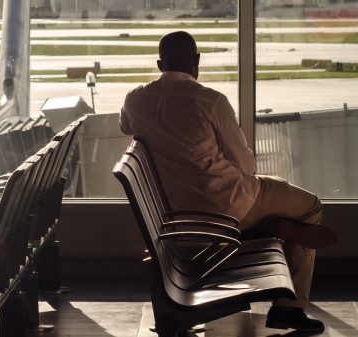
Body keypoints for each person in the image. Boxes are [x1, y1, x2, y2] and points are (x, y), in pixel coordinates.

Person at [119, 31, 336, 333]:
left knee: (272, 196)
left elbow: (125, 126)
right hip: (231, 204)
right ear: (196, 62)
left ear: (159, 64)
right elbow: (246, 165)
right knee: (310, 206)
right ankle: (290, 305)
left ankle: (274, 228)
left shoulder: (135, 99)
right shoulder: (211, 101)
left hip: (178, 214)